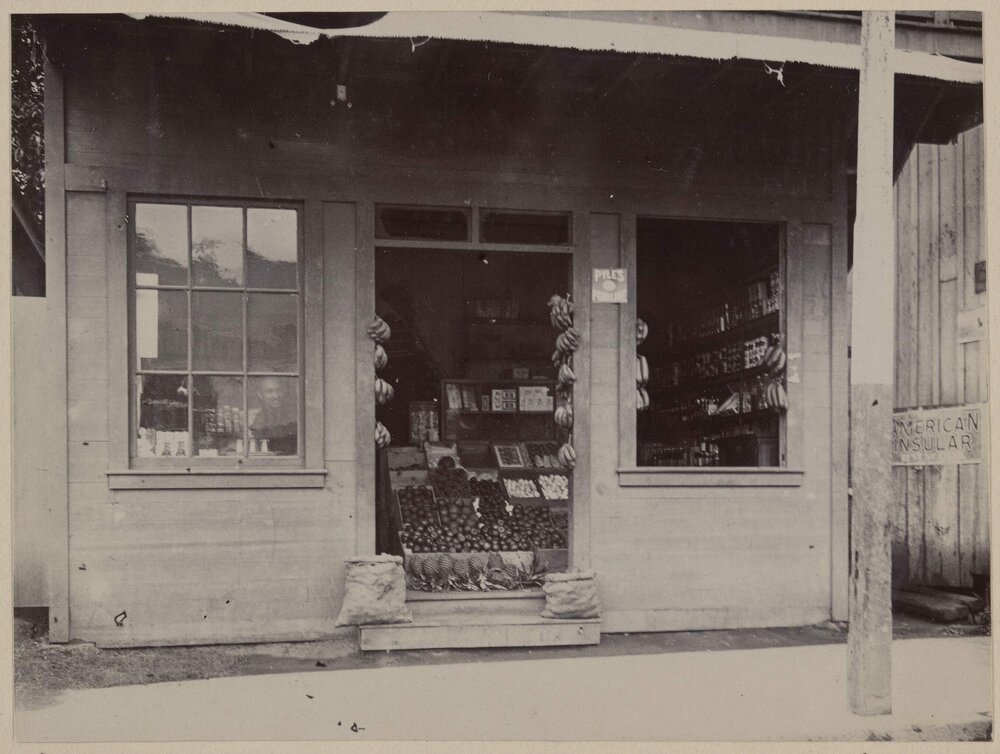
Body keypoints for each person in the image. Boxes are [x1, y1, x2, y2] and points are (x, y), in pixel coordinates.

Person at [249, 377, 297, 455]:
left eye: (279, 391)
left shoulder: (294, 415)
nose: (276, 396)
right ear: (260, 395)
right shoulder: (257, 418)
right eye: (269, 391)